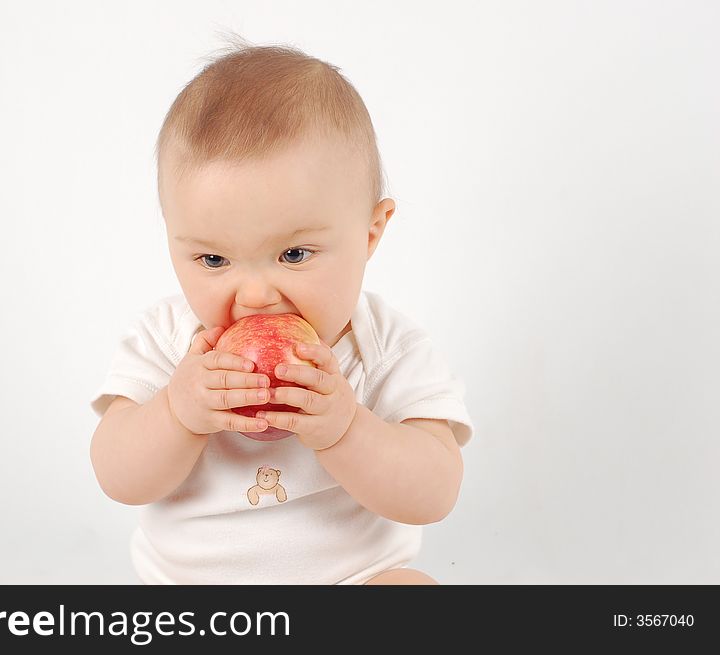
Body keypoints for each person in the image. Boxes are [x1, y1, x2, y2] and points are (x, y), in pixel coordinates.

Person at [89, 37, 474, 585]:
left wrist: (346, 429)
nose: (254, 297)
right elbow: (118, 476)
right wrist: (177, 412)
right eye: (214, 258)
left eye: (294, 254)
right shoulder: (167, 342)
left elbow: (435, 493)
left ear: (370, 232)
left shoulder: (387, 349)